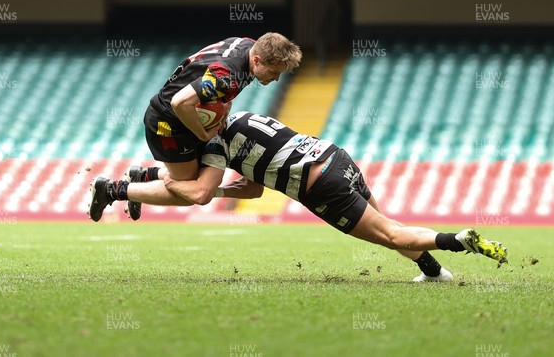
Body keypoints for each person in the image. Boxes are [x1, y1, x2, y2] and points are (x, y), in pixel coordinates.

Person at [89, 111, 508, 282]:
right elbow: (253, 185)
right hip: (336, 157)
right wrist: (222, 188)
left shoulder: (215, 145)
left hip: (321, 186)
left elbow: (197, 190)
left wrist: (196, 187)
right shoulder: (245, 117)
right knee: (390, 226)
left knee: (390, 236)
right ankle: (434, 273)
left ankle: (457, 240)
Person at [124, 33, 302, 221]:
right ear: (257, 60)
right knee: (190, 191)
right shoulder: (227, 75)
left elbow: (212, 74)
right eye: (274, 72)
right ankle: (116, 190)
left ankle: (142, 176)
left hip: (181, 117)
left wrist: (225, 106)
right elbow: (180, 102)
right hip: (167, 123)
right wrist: (202, 135)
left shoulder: (248, 45)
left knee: (197, 181)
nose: (276, 79)